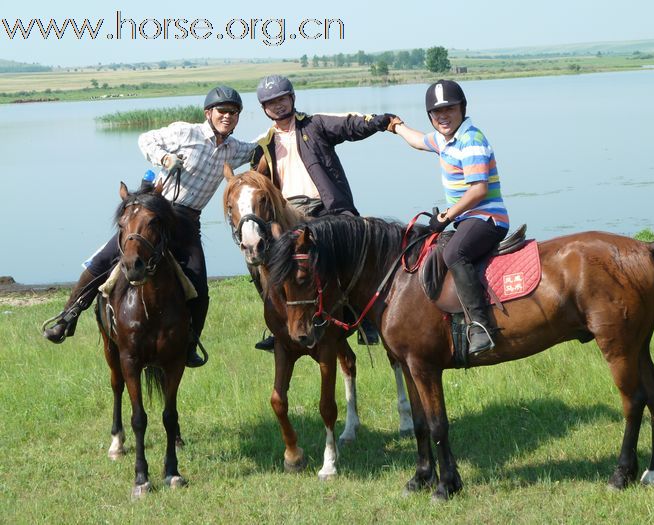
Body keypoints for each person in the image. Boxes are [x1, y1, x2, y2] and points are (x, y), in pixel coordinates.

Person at [43, 86, 257, 367]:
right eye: (222, 111)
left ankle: (190, 344)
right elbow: (146, 139)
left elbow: (258, 147)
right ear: (209, 113)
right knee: (106, 258)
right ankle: (68, 315)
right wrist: (166, 158)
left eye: (233, 112)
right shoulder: (186, 132)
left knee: (199, 285)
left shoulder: (234, 149)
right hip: (156, 210)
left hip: (187, 221)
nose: (227, 117)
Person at [250, 74, 397, 349]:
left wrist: (380, 122)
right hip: (288, 213)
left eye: (282, 99)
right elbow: (255, 184)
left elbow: (349, 125)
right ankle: (277, 323)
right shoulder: (262, 146)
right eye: (271, 103)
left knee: (353, 252)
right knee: (260, 260)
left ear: (292, 98)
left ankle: (364, 318)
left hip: (327, 207)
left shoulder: (315, 125)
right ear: (264, 109)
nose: (278, 106)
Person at [392, 79, 509, 355]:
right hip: (467, 219)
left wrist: (446, 216)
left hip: (487, 218)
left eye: (449, 110)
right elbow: (418, 141)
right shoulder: (445, 140)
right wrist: (395, 126)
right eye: (436, 113)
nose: (442, 116)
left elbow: (479, 189)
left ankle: (481, 326)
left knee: (455, 253)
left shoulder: (471, 140)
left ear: (462, 109)